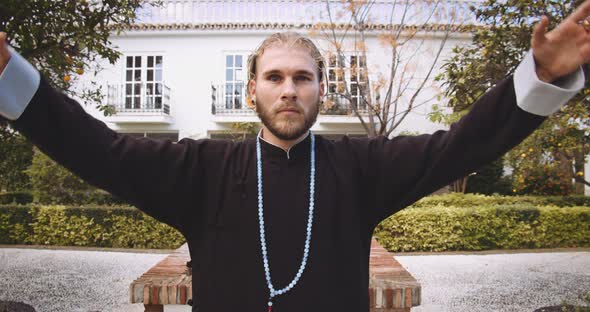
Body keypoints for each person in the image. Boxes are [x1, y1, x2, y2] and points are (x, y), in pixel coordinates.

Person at [0, 1, 589, 311]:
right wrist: (11, 77)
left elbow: (460, 142)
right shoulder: (199, 170)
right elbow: (96, 147)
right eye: (275, 77)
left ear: (321, 90)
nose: (289, 90)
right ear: (251, 89)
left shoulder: (363, 168)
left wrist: (538, 74)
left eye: (302, 78)